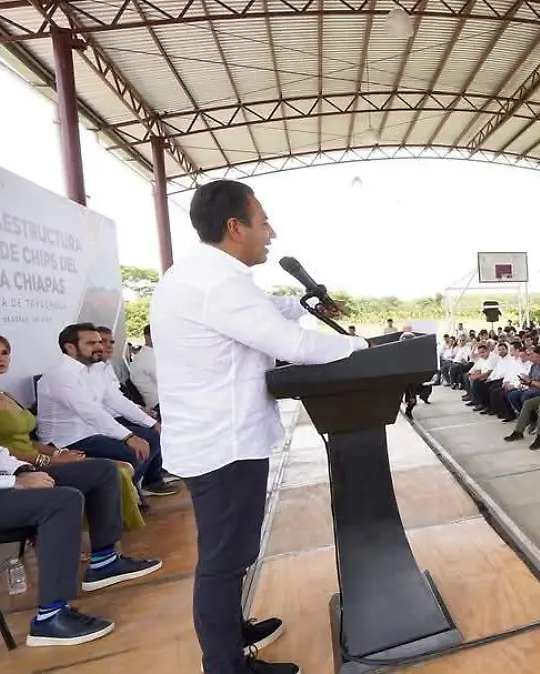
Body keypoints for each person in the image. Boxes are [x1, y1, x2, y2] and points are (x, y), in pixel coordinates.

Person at [150, 180, 370, 674]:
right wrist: (361, 347)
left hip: (214, 439)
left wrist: (303, 303)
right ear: (235, 227)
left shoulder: (203, 275)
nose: (271, 232)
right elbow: (292, 344)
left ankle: (230, 633)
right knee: (224, 560)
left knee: (229, 553)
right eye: (263, 222)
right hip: (223, 444)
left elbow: (262, 311)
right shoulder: (218, 283)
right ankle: (225, 665)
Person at [0, 430, 162, 646]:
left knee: (103, 471)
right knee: (63, 502)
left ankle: (104, 562)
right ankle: (50, 618)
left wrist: (22, 470)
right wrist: (13, 481)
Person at [0, 333, 144, 530]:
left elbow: (26, 440)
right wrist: (49, 460)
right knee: (114, 470)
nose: (0, 358)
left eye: (4, 353)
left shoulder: (5, 395)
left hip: (39, 457)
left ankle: (109, 538)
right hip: (18, 467)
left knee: (123, 466)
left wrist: (57, 452)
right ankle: (104, 541)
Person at [36, 323, 178, 499]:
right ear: (70, 348)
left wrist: (152, 423)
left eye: (98, 342)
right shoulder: (60, 376)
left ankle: (135, 488)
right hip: (65, 441)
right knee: (131, 452)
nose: (99, 347)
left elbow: (117, 401)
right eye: (91, 343)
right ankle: (128, 495)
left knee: (153, 436)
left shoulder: (95, 369)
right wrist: (129, 437)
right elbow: (90, 412)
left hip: (91, 431)